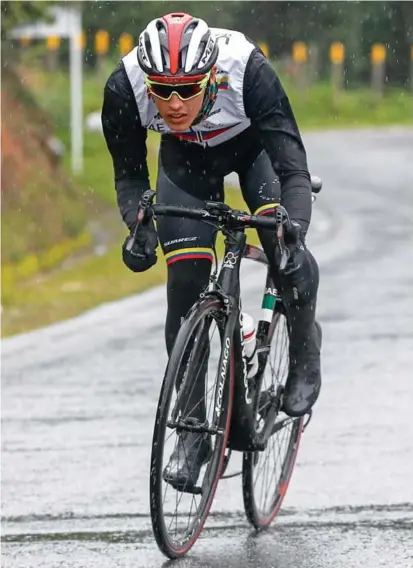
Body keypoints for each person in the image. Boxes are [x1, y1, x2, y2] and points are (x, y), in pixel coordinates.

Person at [102, 12, 322, 488]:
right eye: (163, 90)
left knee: (285, 251)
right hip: (185, 162)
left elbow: (294, 171)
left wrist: (293, 228)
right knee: (183, 287)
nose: (174, 103)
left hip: (254, 150)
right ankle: (193, 431)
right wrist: (137, 223)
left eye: (187, 89)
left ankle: (305, 352)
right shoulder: (124, 87)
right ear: (147, 81)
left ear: (211, 76)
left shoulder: (249, 72)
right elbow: (129, 176)